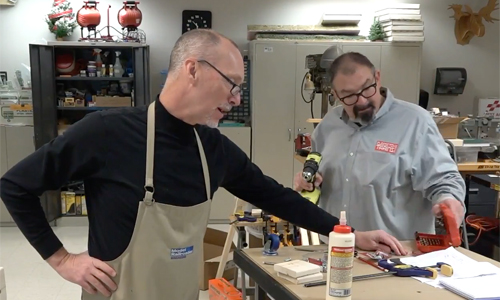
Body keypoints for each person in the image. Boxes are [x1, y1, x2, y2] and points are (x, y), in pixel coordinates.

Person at [0, 30, 404, 300]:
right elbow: (16, 186)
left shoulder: (213, 148)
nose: (234, 98)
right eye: (231, 84)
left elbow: (276, 196)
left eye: (238, 89)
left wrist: (345, 232)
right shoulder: (106, 132)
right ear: (192, 69)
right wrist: (62, 259)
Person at [294, 52, 466, 246]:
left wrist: (449, 200)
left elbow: (443, 179)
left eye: (367, 88)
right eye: (349, 95)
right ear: (335, 94)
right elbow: (319, 177)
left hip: (397, 255)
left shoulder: (415, 122)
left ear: (377, 77)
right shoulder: (328, 126)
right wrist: (308, 183)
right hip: (336, 248)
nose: (361, 101)